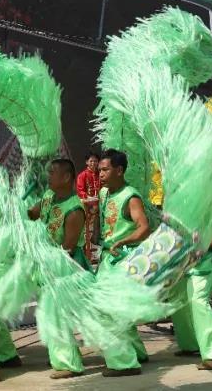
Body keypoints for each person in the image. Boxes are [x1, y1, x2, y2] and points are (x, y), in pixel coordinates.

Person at [27, 159, 87, 378]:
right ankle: (63, 358)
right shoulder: (48, 197)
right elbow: (31, 214)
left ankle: (68, 364)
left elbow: (68, 247)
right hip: (47, 264)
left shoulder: (74, 209)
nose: (48, 176)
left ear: (67, 177)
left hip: (65, 267)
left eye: (52, 172)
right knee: (50, 313)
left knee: (57, 314)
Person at [95, 149, 153, 377]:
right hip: (108, 259)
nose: (100, 174)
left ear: (119, 170)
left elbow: (144, 228)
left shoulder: (131, 196)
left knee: (108, 311)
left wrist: (123, 241)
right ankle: (137, 352)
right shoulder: (103, 193)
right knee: (118, 310)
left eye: (105, 169)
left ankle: (123, 362)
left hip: (123, 260)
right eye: (99, 170)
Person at [170, 210, 212, 370]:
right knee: (179, 302)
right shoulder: (180, 197)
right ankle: (191, 344)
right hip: (181, 257)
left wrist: (202, 246)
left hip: (203, 258)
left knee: (198, 300)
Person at [75, 152, 101, 261]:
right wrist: (89, 198)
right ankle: (86, 252)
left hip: (99, 205)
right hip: (88, 206)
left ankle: (94, 250)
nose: (93, 163)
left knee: (97, 229)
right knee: (86, 229)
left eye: (95, 161)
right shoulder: (82, 175)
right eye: (91, 161)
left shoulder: (100, 174)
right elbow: (80, 191)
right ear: (86, 162)